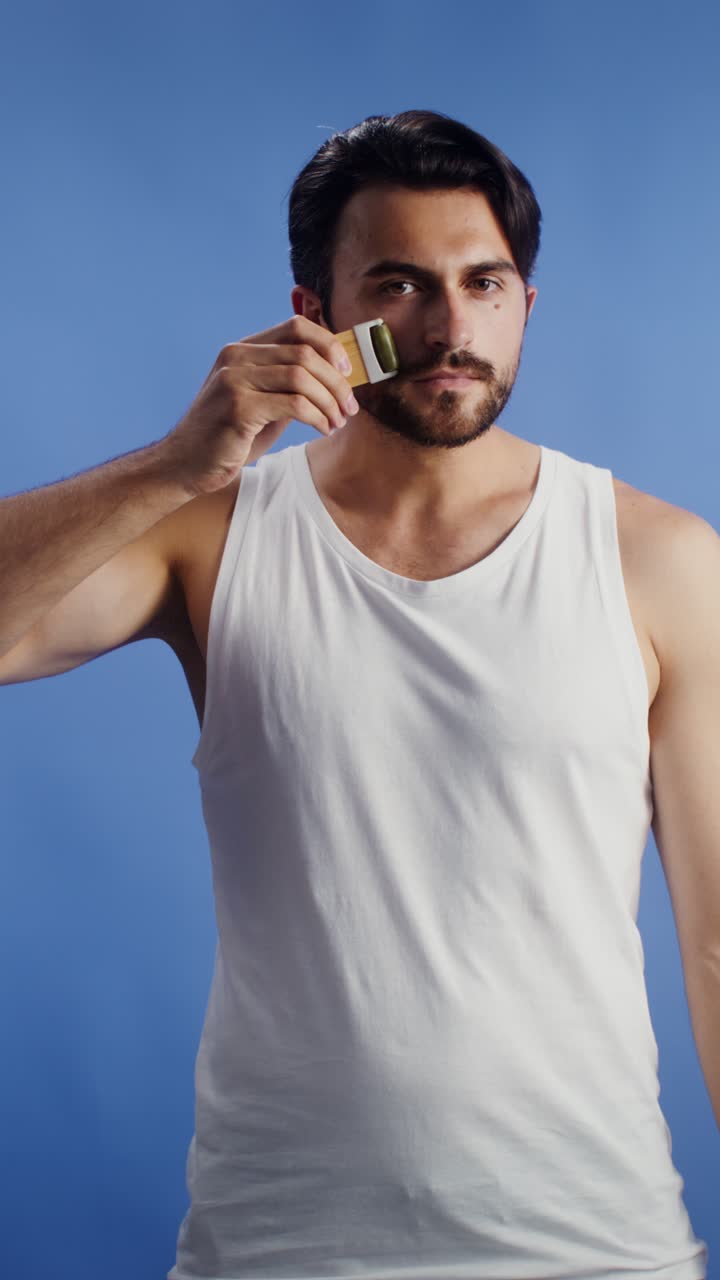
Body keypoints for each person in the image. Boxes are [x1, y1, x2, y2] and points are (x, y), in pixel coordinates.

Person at [0, 109, 715, 1280]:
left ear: (526, 304)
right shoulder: (209, 535)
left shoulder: (658, 558)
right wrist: (177, 463)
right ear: (317, 316)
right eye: (399, 285)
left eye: (484, 282)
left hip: (600, 1246)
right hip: (276, 1250)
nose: (448, 326)